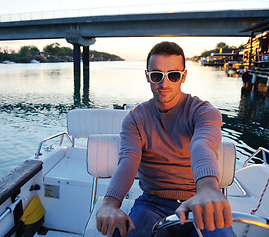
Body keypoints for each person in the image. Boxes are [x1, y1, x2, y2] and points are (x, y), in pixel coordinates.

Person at [96, 41, 235, 237]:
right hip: (152, 204)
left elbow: (202, 145)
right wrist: (109, 203)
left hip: (199, 199)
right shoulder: (135, 118)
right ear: (147, 77)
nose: (164, 83)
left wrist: (208, 188)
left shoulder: (203, 112)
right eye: (156, 76)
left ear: (183, 76)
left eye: (173, 75)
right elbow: (128, 161)